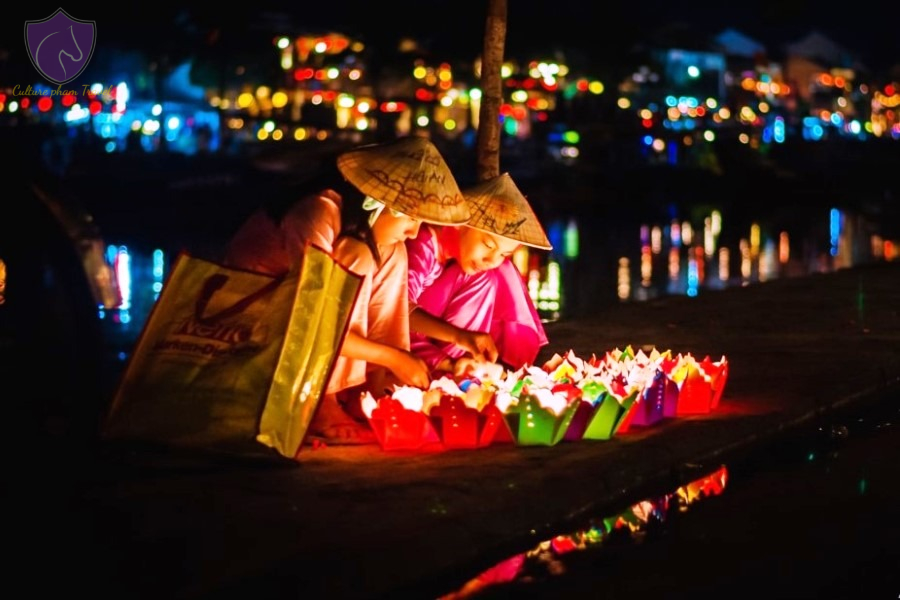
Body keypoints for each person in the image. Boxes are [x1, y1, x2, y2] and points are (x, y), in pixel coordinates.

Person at [224, 136, 470, 443]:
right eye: (409, 218)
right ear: (375, 203)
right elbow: (313, 318)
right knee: (361, 255)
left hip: (298, 318)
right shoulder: (317, 212)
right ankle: (321, 399)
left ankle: (368, 387)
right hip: (251, 315)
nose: (413, 232)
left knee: (393, 253)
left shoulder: (368, 232)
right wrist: (394, 357)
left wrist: (394, 359)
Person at [406, 172, 553, 376]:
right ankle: (454, 367)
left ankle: (462, 366)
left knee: (492, 274)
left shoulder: (455, 260)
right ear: (460, 223)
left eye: (504, 253)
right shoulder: (422, 243)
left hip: (422, 335)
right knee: (480, 275)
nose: (492, 259)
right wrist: (460, 336)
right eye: (488, 245)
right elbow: (399, 308)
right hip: (400, 335)